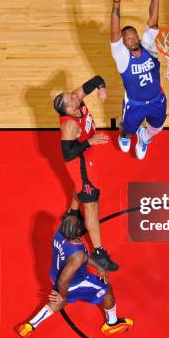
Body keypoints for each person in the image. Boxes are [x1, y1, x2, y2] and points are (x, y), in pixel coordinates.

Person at [16, 211, 133, 338]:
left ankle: (29, 326)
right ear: (78, 231)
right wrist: (62, 295)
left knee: (63, 298)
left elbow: (81, 258)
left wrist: (98, 266)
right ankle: (112, 324)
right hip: (73, 282)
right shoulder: (77, 254)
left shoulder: (60, 233)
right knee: (106, 289)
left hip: (55, 275)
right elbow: (64, 280)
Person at [52, 75, 118, 271]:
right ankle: (99, 252)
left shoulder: (74, 101)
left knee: (80, 187)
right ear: (70, 111)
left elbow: (96, 79)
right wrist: (90, 141)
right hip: (79, 163)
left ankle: (72, 212)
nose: (75, 95)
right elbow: (67, 154)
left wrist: (102, 87)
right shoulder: (70, 126)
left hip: (86, 157)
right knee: (92, 205)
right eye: (71, 99)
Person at [110, 0, 166, 160]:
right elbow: (115, 32)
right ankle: (127, 135)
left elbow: (153, 20)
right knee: (126, 134)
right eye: (128, 38)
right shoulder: (122, 57)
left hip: (157, 99)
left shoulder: (149, 47)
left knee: (157, 127)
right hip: (134, 104)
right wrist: (117, 2)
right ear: (123, 42)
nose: (132, 38)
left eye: (134, 35)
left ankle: (144, 137)